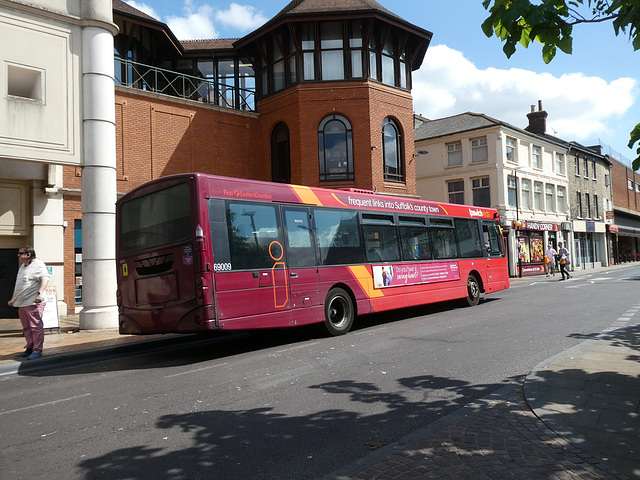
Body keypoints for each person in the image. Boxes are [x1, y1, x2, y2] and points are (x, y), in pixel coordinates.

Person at [8, 246, 50, 359]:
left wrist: (39, 294)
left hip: (33, 302)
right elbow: (21, 285)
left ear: (28, 255)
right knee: (26, 327)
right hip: (22, 303)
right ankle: (30, 348)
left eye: (20, 253)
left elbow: (45, 278)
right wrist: (13, 300)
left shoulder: (39, 265)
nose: (18, 255)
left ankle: (37, 350)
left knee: (35, 327)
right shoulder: (23, 266)